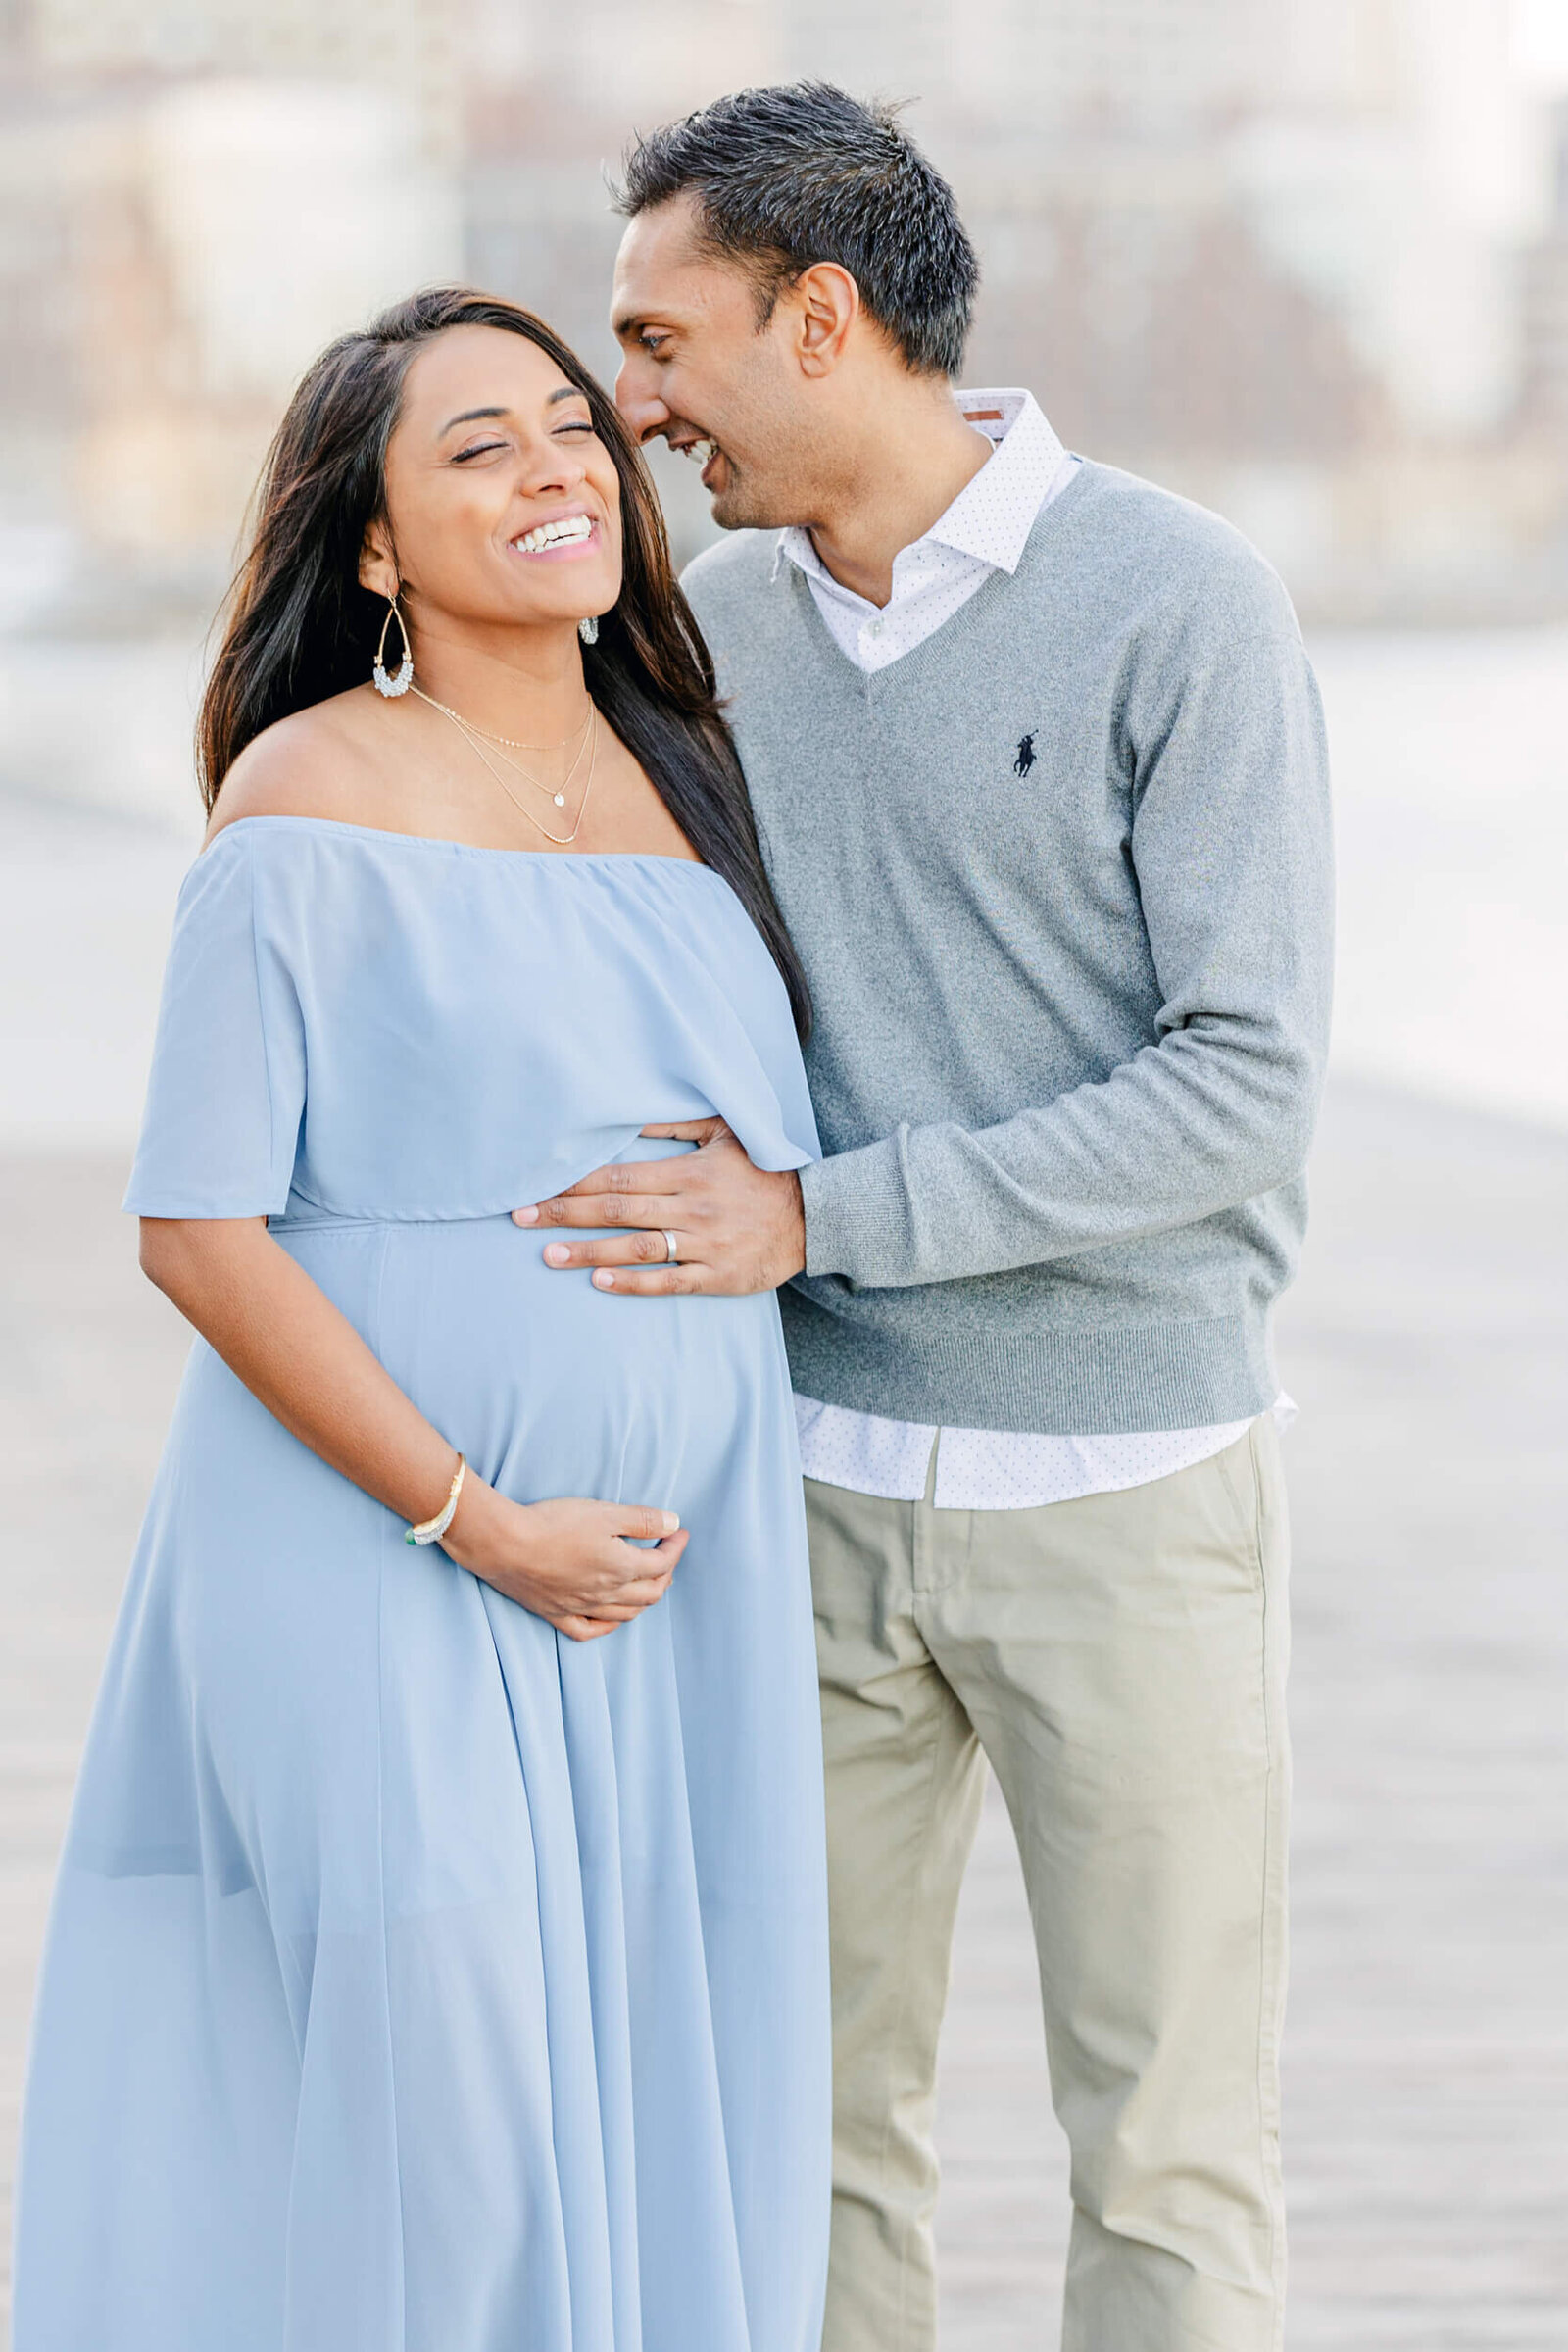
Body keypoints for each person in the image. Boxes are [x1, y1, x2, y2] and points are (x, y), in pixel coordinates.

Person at [515, 83, 1334, 2352]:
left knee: (1164, 2148)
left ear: (814, 316)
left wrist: (815, 1221)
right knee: (801, 2124)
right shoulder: (708, 638)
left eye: (659, 345)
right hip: (800, 1494)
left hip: (1131, 1485)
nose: (633, 408)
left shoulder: (1178, 604)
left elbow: (1240, 1088)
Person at [13, 288, 830, 2352]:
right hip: (382, 1553)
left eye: (570, 426)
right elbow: (196, 1228)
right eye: (475, 447)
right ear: (369, 543)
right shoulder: (306, 798)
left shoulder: (695, 776)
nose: (554, 469)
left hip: (668, 1594)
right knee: (443, 2111)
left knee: (647, 2086)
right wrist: (480, 1519)